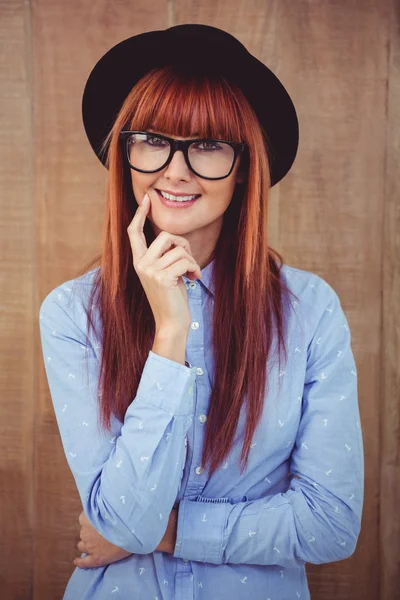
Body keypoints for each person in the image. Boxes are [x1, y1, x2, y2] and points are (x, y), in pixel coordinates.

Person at [39, 24, 364, 600]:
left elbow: (330, 523)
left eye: (209, 144)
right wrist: (169, 332)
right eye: (153, 139)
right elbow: (123, 522)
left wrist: (174, 532)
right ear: (126, 154)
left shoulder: (308, 311)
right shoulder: (72, 315)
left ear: (244, 168)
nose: (177, 169)